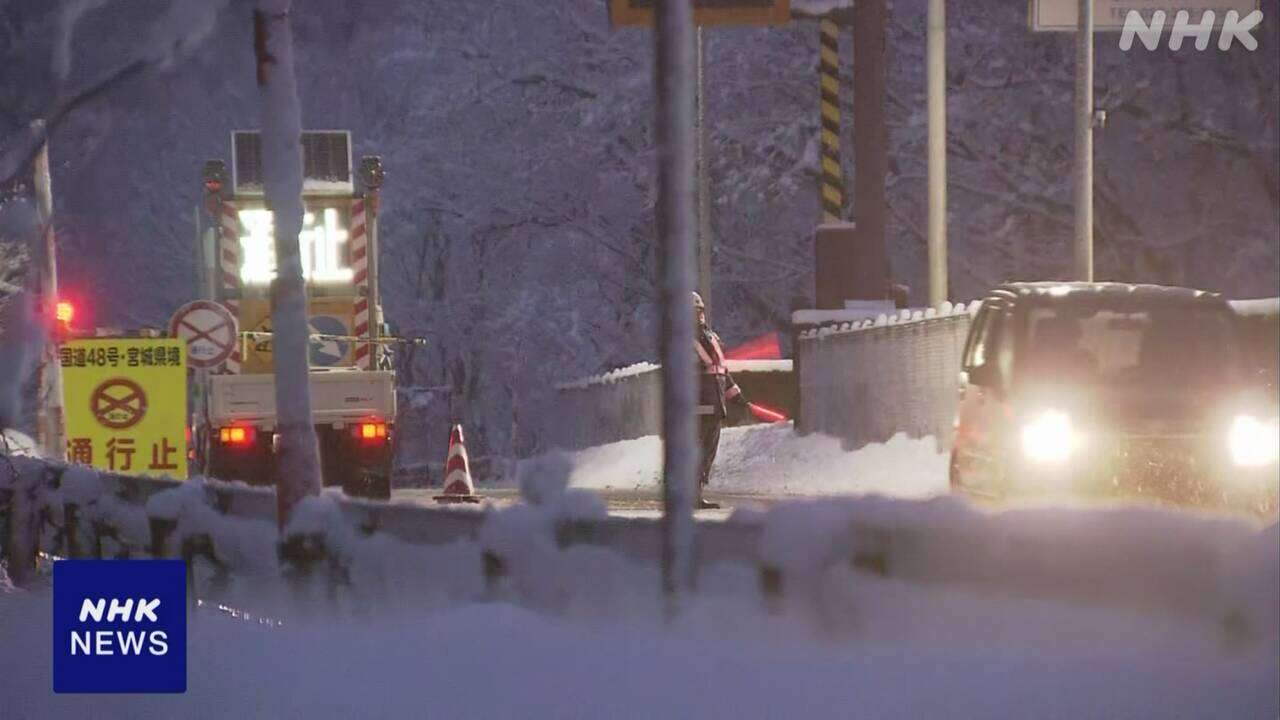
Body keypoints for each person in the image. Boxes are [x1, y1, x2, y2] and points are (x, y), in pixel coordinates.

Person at [693, 291, 748, 510]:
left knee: (707, 454)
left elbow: (721, 372)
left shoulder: (710, 337)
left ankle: (697, 494)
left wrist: (736, 396)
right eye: (693, 311)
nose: (698, 315)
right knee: (695, 453)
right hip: (696, 409)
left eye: (699, 311)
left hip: (715, 408)